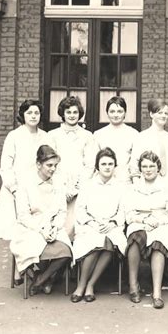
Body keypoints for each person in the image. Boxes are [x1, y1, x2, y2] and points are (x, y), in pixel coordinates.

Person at [10, 145, 72, 296]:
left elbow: (62, 212)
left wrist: (55, 227)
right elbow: (23, 215)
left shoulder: (58, 183)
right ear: (38, 164)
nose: (52, 169)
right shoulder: (25, 184)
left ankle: (41, 280)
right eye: (49, 165)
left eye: (55, 165)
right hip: (31, 228)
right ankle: (45, 279)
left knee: (66, 252)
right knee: (32, 247)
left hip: (52, 227)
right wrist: (41, 230)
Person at [70, 148, 127, 303]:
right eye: (103, 164)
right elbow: (80, 209)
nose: (107, 167)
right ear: (97, 167)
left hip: (111, 226)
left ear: (115, 166)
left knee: (109, 242)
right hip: (89, 224)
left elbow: (123, 210)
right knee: (95, 242)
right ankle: (80, 285)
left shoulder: (121, 186)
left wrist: (113, 222)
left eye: (110, 164)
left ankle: (90, 285)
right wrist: (92, 223)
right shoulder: (87, 185)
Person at [123, 151, 168, 308]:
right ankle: (134, 286)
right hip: (139, 221)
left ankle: (157, 293)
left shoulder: (167, 186)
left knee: (158, 244)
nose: (148, 169)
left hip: (161, 223)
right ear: (140, 169)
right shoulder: (133, 188)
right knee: (134, 238)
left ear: (158, 168)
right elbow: (129, 214)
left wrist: (158, 221)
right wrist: (144, 220)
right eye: (144, 166)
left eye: (151, 166)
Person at [0, 100, 51, 242]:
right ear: (23, 115)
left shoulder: (46, 136)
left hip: (38, 190)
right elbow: (6, 167)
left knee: (38, 233)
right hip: (16, 190)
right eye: (29, 113)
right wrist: (14, 189)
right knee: (18, 235)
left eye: (36, 113)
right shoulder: (14, 136)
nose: (33, 116)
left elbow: (50, 163)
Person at [48, 96, 95, 239]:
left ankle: (76, 258)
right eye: (68, 112)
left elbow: (89, 164)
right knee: (58, 223)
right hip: (58, 185)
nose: (72, 115)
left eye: (75, 112)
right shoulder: (53, 135)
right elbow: (50, 163)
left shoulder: (87, 136)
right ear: (62, 114)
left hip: (79, 187)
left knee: (77, 224)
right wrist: (63, 187)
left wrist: (76, 188)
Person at [93, 96, 140, 184]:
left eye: (119, 111)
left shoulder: (134, 134)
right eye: (112, 111)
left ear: (125, 113)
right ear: (107, 113)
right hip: (103, 183)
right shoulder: (98, 134)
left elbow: (135, 163)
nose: (116, 115)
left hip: (125, 182)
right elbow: (94, 162)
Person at [129, 98, 168, 184]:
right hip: (147, 185)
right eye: (160, 113)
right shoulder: (141, 137)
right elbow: (134, 165)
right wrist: (137, 185)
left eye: (166, 113)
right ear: (151, 114)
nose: (163, 116)